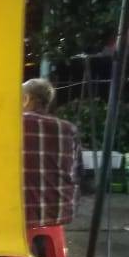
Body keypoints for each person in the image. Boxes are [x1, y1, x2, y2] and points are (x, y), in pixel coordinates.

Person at [22, 77, 82, 226]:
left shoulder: (11, 126)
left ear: (26, 99)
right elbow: (78, 172)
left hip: (16, 215)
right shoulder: (68, 129)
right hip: (60, 212)